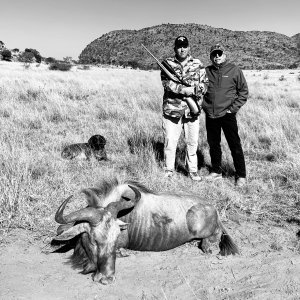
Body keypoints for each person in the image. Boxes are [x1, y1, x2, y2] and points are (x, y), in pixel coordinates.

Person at [161, 36, 208, 181]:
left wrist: (198, 89)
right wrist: (184, 90)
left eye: (185, 46)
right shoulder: (166, 64)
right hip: (172, 110)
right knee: (170, 141)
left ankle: (192, 171)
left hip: (191, 110)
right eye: (179, 46)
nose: (182, 49)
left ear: (189, 48)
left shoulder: (198, 64)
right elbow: (167, 84)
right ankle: (169, 169)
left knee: (192, 143)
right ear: (175, 48)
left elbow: (205, 83)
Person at [202, 43, 248, 187]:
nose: (217, 56)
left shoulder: (234, 70)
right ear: (210, 56)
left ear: (224, 55)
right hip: (211, 114)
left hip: (227, 114)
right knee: (213, 144)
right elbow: (200, 90)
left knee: (234, 144)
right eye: (214, 54)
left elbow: (243, 92)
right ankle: (216, 171)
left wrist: (232, 109)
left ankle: (241, 175)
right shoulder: (206, 71)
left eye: (219, 54)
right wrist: (204, 106)